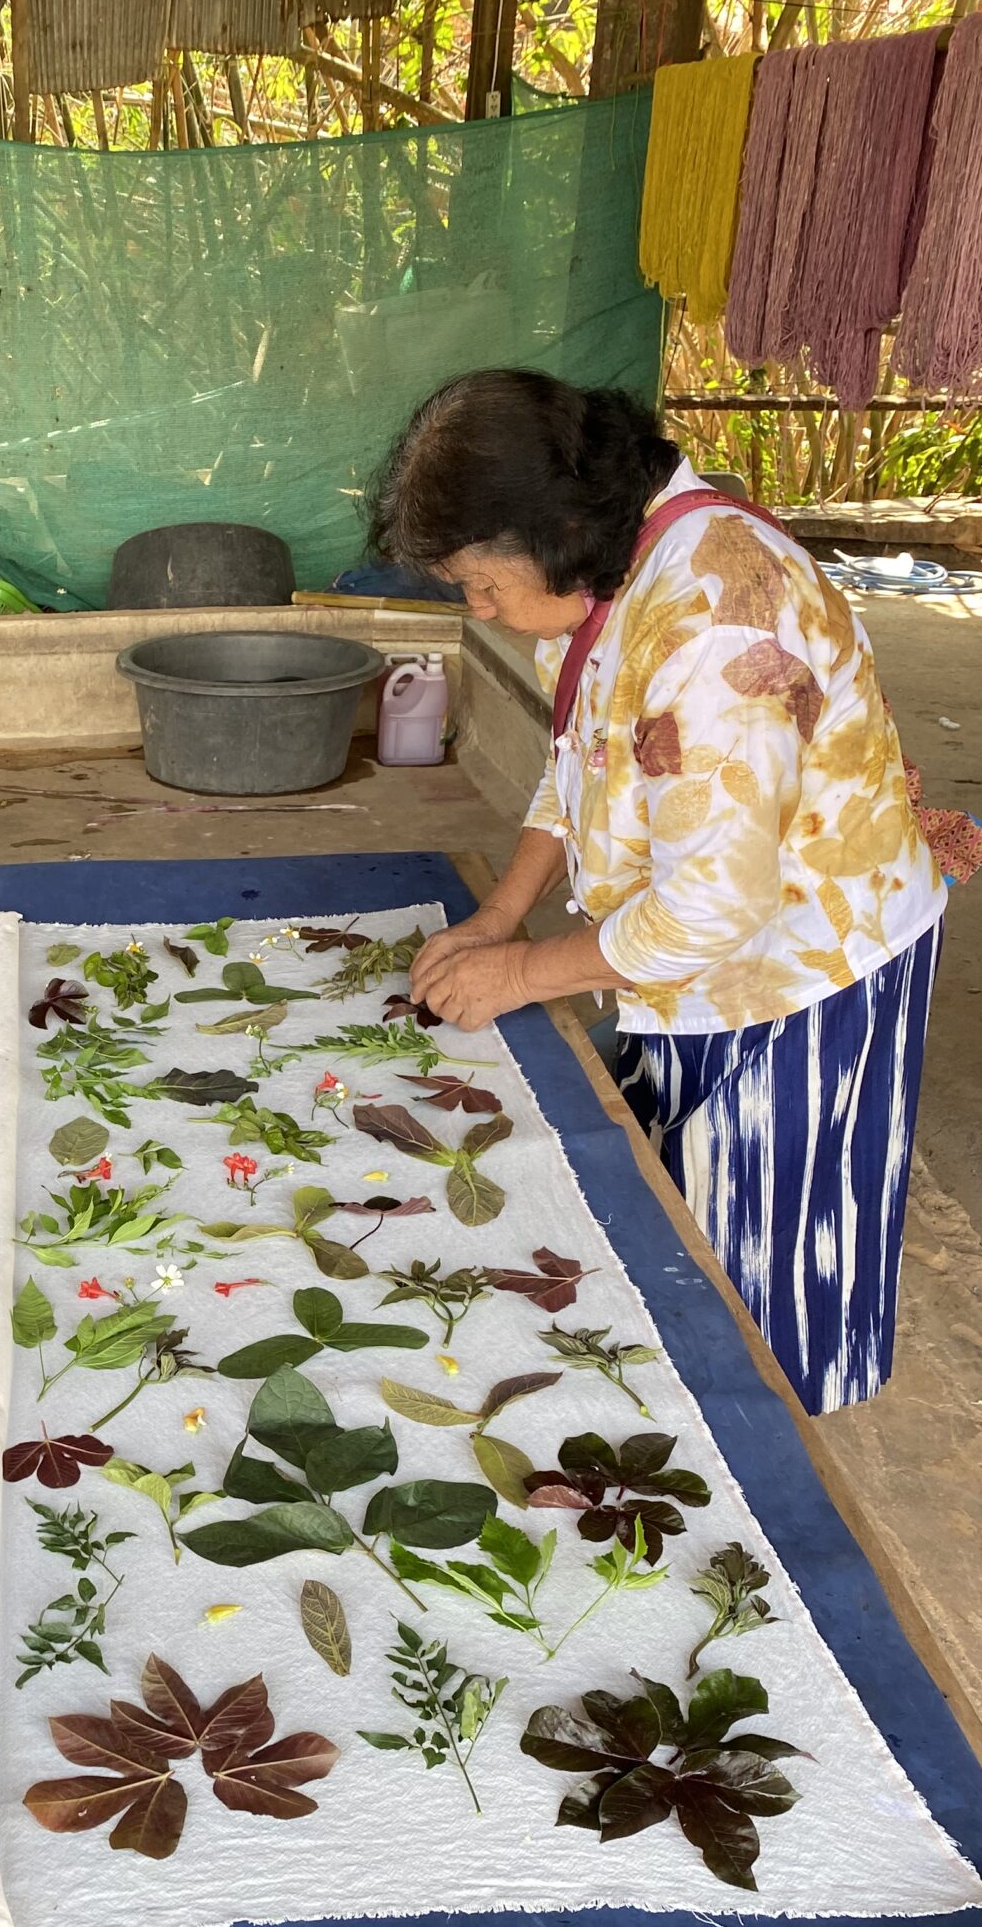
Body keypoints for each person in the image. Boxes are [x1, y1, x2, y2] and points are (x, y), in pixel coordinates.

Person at [376, 369, 945, 1415]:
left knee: (769, 1267)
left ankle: (783, 1468)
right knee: (686, 1221)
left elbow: (714, 911)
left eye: (483, 583)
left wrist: (526, 972)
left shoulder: (716, 626)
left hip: (802, 974)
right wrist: (503, 914)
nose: (481, 608)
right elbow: (582, 752)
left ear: (548, 528)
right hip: (696, 953)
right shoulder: (619, 563)